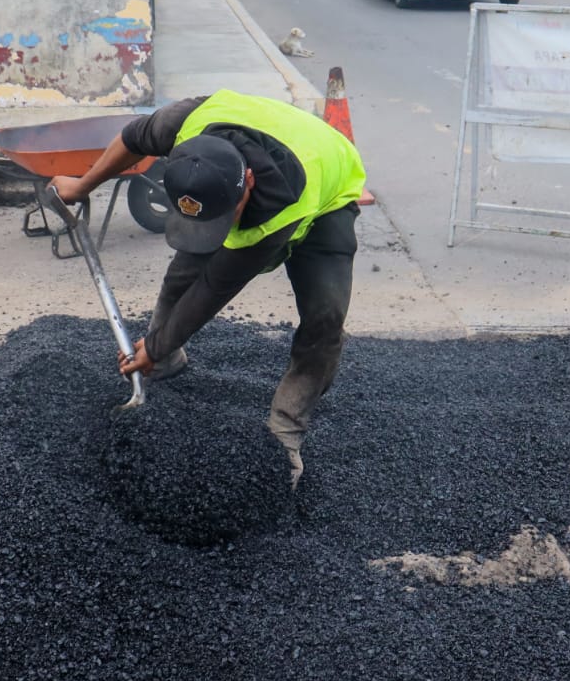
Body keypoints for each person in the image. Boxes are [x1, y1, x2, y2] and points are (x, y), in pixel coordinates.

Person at [49, 92, 367, 484]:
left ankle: (285, 434)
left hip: (326, 188)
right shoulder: (185, 122)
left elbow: (214, 288)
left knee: (325, 317)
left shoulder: (277, 206)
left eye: (221, 218)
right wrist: (83, 185)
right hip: (263, 141)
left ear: (248, 185)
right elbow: (132, 138)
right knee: (184, 271)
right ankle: (165, 363)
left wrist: (155, 344)